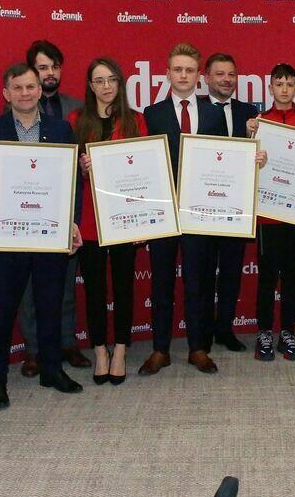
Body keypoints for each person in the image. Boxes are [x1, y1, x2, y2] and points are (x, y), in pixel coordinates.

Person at [0, 63, 84, 409]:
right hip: (6, 237)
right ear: (6, 94)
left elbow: (72, 182)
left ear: (39, 90)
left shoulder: (60, 129)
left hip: (49, 234)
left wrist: (71, 222)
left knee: (50, 306)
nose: (25, 93)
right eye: (18, 88)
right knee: (2, 311)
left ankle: (52, 370)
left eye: (31, 86)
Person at [139, 42, 226, 376]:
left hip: (199, 212)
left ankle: (198, 348)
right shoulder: (152, 113)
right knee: (161, 283)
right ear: (168, 73)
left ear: (199, 75)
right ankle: (160, 349)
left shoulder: (214, 113)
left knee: (198, 282)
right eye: (178, 69)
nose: (184, 75)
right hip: (164, 212)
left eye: (190, 70)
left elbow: (224, 159)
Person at [70, 58, 146, 385]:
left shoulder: (136, 121)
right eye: (99, 80)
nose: (106, 86)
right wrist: (80, 168)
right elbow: (64, 172)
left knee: (124, 286)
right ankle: (100, 349)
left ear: (120, 83)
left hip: (125, 218)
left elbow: (145, 173)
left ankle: (120, 349)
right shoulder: (76, 120)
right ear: (90, 85)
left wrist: (144, 223)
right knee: (95, 289)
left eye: (111, 79)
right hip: (89, 220)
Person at [19, 39, 90, 376]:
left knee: (66, 284)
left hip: (66, 208)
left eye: (54, 67)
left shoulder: (77, 109)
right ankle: (34, 350)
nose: (49, 73)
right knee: (30, 288)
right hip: (27, 210)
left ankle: (67, 342)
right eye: (42, 67)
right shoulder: (16, 110)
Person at [246, 64, 295, 362]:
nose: (284, 89)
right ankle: (264, 331)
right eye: (279, 84)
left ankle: (287, 331)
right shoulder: (259, 122)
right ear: (271, 88)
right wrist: (252, 150)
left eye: (289, 84)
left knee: (291, 276)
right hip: (267, 213)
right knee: (267, 276)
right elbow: (243, 165)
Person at [201, 52, 259, 353]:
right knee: (203, 272)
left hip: (237, 206)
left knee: (232, 271)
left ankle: (225, 329)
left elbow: (255, 154)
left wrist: (255, 148)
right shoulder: (194, 109)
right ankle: (202, 333)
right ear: (206, 78)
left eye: (231, 74)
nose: (226, 79)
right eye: (220, 74)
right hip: (203, 205)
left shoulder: (249, 112)